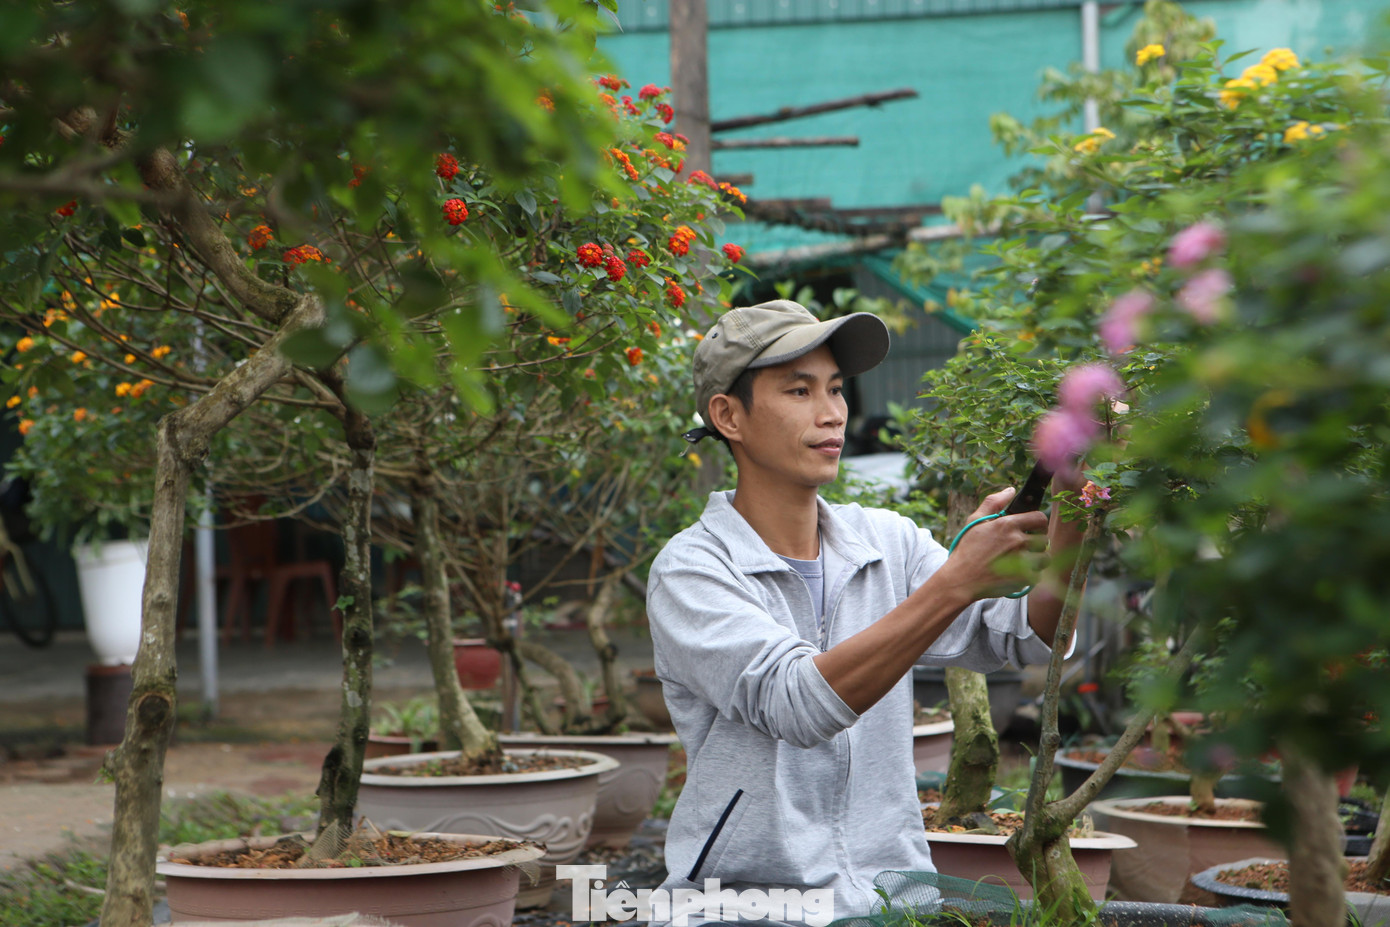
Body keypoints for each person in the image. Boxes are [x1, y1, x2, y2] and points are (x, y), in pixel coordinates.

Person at [645, 300, 1085, 923]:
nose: (831, 414)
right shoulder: (693, 570)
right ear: (728, 416)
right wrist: (957, 581)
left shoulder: (886, 541)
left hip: (893, 898)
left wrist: (1073, 520)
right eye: (799, 391)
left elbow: (1021, 636)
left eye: (836, 389)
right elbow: (797, 703)